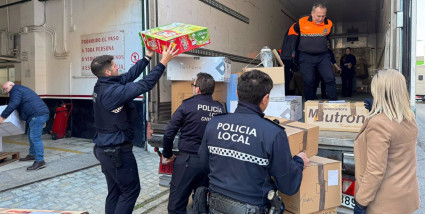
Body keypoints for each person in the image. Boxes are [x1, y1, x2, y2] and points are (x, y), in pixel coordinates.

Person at [199, 70, 309, 213]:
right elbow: (288, 185)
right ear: (265, 98)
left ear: (238, 94)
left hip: (216, 206)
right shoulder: (273, 133)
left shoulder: (214, 123)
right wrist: (299, 162)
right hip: (253, 208)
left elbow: (204, 164)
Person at [91, 44, 179, 214]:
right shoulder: (112, 93)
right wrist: (163, 63)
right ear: (108, 72)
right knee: (131, 191)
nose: (118, 67)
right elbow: (144, 85)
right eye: (115, 65)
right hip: (116, 152)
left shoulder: (103, 85)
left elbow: (129, 76)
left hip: (105, 149)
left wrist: (147, 58)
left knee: (116, 191)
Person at [354, 69, 419, 214]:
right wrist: (379, 110)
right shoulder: (410, 118)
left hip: (384, 204)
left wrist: (361, 202)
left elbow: (375, 171)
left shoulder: (379, 124)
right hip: (405, 198)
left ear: (380, 93)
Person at [163, 72, 225, 214]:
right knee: (202, 202)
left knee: (176, 205)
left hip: (188, 162)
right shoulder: (220, 108)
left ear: (197, 89)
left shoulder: (187, 105)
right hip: (210, 163)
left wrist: (168, 154)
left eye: (193, 85)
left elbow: (169, 132)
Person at [280, 3, 337, 101]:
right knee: (309, 81)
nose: (320, 18)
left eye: (323, 16)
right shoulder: (301, 22)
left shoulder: (329, 23)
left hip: (322, 56)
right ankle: (310, 103)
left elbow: (326, 37)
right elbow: (291, 36)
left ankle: (334, 102)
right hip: (306, 57)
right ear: (312, 13)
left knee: (330, 78)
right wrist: (289, 54)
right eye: (318, 16)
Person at [0, 81, 50, 171]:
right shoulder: (19, 89)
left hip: (37, 115)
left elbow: (14, 103)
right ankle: (32, 154)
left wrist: (3, 116)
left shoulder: (15, 90)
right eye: (4, 90)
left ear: (11, 85)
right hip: (36, 115)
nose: (6, 91)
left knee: (35, 137)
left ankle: (40, 160)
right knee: (30, 134)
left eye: (6, 89)